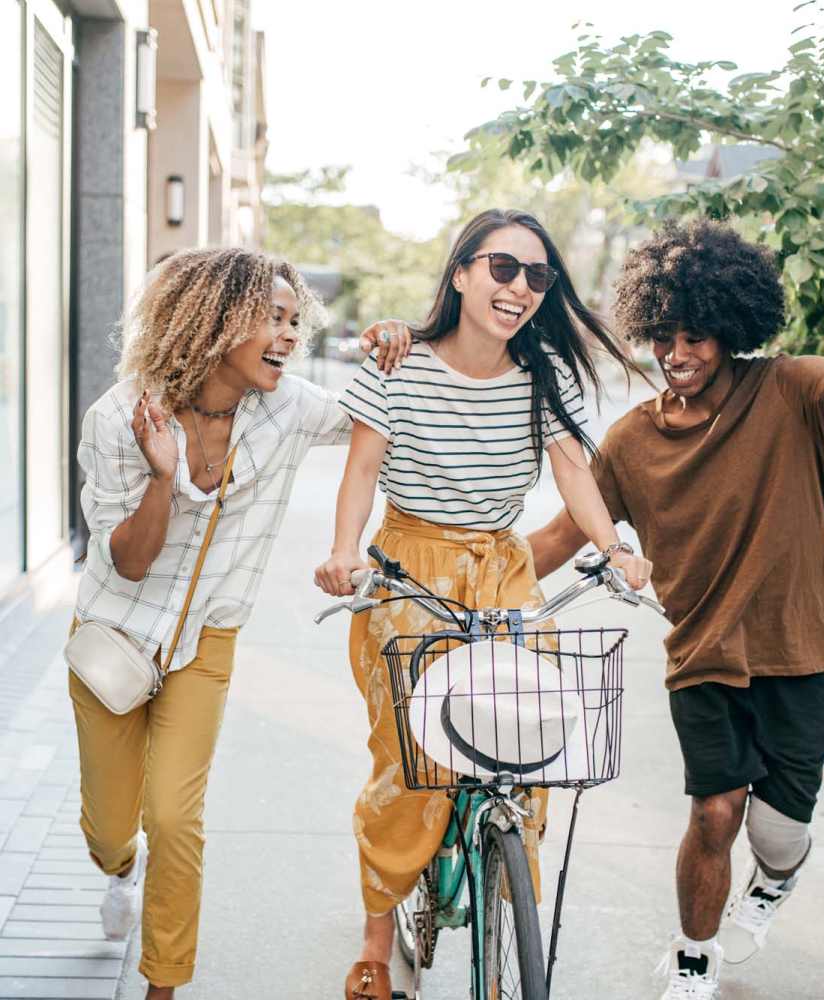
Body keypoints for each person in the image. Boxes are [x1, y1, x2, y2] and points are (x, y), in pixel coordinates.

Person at [526, 219, 824, 1000]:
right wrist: (472, 581)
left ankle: (776, 879)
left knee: (776, 834)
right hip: (703, 656)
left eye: (697, 336)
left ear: (732, 328)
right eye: (663, 337)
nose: (677, 354)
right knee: (715, 812)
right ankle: (693, 955)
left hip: (807, 655)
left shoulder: (793, 388)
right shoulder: (633, 443)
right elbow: (566, 532)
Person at [313, 208, 653, 1000]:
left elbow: (573, 472)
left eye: (539, 276)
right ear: (462, 272)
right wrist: (341, 552)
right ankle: (374, 938)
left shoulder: (545, 376)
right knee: (412, 763)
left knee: (523, 746)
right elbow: (362, 471)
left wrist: (615, 550)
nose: (521, 288)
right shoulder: (399, 364)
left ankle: (506, 909)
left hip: (502, 571)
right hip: (410, 569)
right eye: (504, 268)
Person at [70, 247, 410, 999]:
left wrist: (398, 336)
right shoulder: (119, 416)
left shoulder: (285, 407)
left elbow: (371, 406)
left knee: (175, 819)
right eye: (273, 320)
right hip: (114, 637)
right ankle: (119, 871)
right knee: (109, 828)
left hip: (206, 643)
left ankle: (163, 986)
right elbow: (127, 562)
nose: (291, 338)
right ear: (214, 320)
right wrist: (164, 475)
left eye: (296, 322)